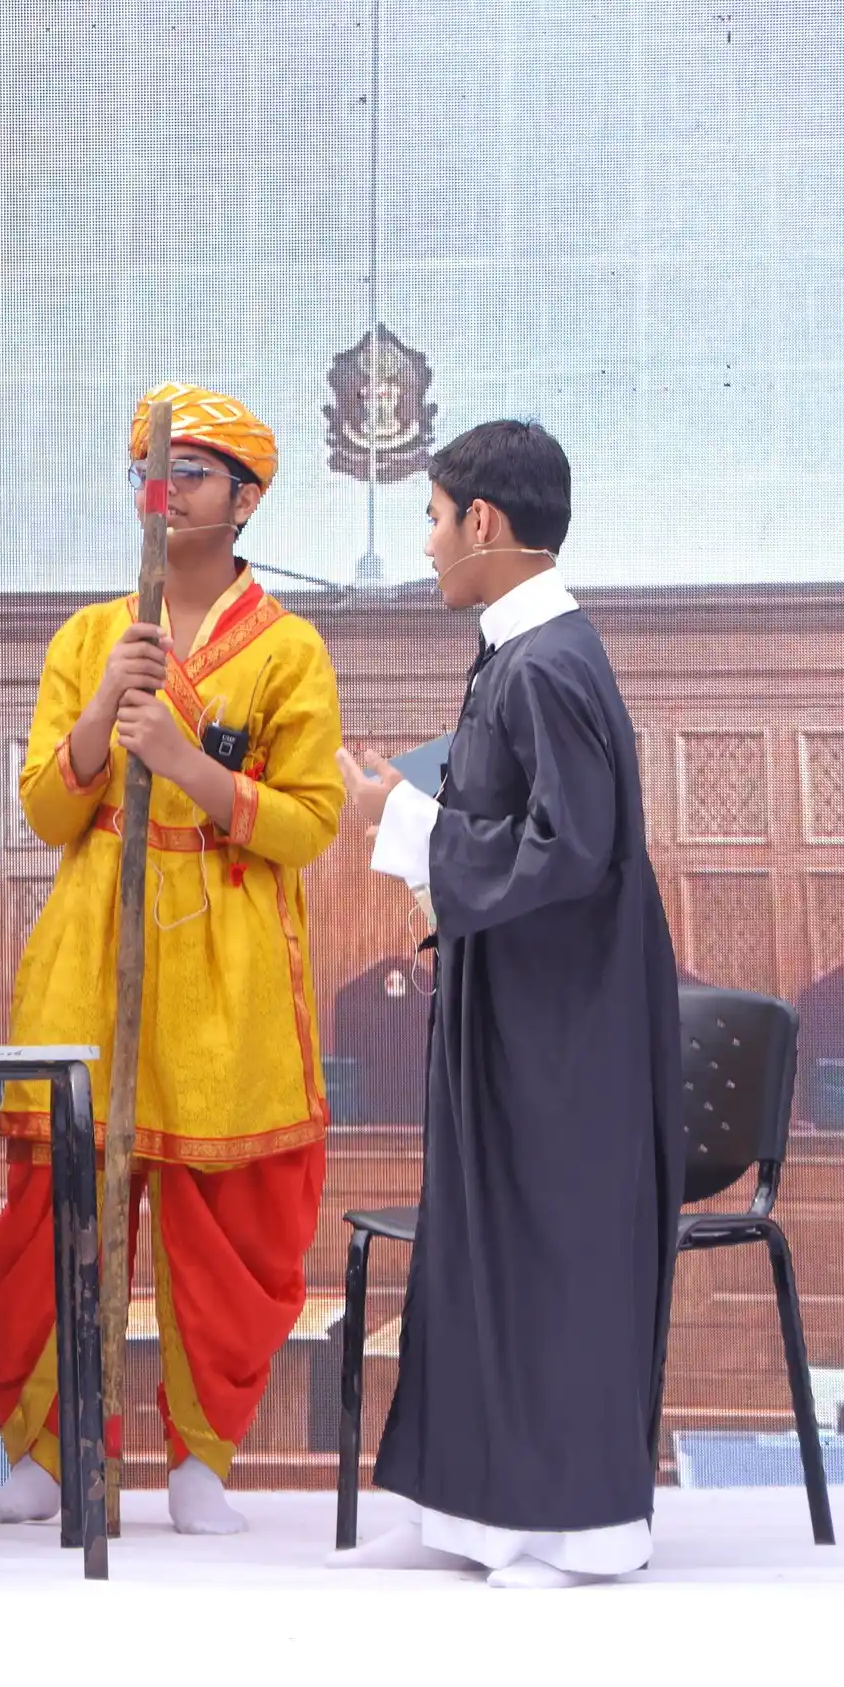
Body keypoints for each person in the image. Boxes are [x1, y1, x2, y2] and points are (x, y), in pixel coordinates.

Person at [0, 384, 345, 1536]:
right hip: (95, 941)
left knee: (223, 1221)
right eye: (150, 471)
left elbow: (309, 824)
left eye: (188, 472)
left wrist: (186, 765)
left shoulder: (288, 649)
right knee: (61, 1203)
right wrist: (101, 714)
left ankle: (202, 1464)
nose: (164, 491)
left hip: (227, 955)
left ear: (244, 499)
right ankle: (47, 1455)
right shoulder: (89, 636)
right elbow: (46, 811)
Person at [337, 418, 684, 1588]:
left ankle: (577, 1531)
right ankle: (465, 1514)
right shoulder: (517, 654)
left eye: (433, 519)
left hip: (564, 1025)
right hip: (518, 1006)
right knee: (482, 1247)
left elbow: (569, 851)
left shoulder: (545, 663)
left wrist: (399, 816)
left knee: (555, 1254)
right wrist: (421, 812)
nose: (427, 544)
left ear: (482, 521)